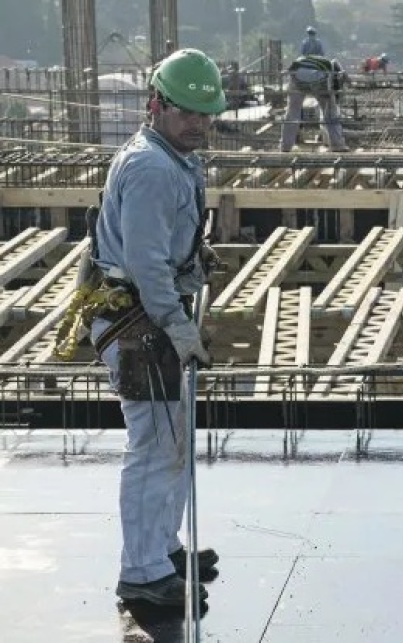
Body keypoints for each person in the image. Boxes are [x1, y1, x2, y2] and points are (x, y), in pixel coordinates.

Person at [88, 48, 224, 606]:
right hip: (140, 322)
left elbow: (158, 242)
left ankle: (162, 550)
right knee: (153, 447)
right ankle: (142, 574)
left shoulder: (173, 159)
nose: (198, 123)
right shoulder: (151, 168)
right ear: (157, 104)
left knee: (172, 442)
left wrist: (192, 254)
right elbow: (146, 265)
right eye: (187, 111)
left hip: (149, 317)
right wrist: (177, 326)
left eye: (205, 113)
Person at [280, 54, 348, 152]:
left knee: (292, 113)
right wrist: (331, 98)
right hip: (319, 80)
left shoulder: (321, 62)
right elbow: (332, 88)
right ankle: (337, 145)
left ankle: (285, 146)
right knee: (330, 112)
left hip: (297, 76)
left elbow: (291, 67)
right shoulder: (330, 69)